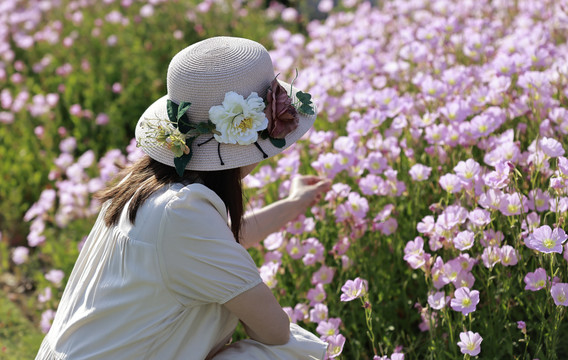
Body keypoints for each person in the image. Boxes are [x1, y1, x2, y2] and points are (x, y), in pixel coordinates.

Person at [35, 36, 331, 359]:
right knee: (289, 351)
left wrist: (294, 203)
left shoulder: (148, 187)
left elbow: (219, 244)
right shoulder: (182, 214)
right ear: (249, 133)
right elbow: (274, 330)